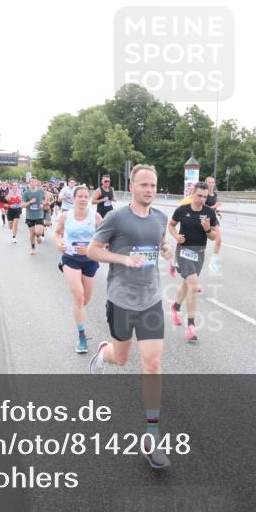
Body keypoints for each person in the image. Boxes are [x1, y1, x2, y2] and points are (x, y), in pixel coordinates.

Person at [87, 164, 175, 469]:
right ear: (132, 186)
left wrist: (167, 252)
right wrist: (124, 258)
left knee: (152, 364)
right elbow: (92, 250)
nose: (149, 190)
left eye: (153, 185)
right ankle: (103, 351)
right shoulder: (116, 218)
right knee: (121, 359)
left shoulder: (160, 218)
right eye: (143, 185)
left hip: (150, 300)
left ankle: (152, 437)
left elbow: (161, 242)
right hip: (122, 300)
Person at [54, 185, 103, 354]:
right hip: (70, 258)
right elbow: (57, 233)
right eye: (79, 196)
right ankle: (82, 337)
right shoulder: (65, 216)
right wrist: (58, 243)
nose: (83, 199)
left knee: (85, 300)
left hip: (90, 260)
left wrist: (92, 247)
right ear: (73, 199)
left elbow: (104, 239)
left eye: (85, 196)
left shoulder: (95, 216)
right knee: (78, 295)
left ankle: (78, 312)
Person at [168, 182, 219, 342]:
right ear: (192, 193)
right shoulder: (183, 210)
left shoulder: (209, 212)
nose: (202, 199)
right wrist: (176, 236)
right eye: (199, 196)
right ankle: (191, 327)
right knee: (193, 285)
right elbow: (171, 224)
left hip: (199, 253)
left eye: (205, 196)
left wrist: (207, 229)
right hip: (183, 251)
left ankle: (175, 307)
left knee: (187, 283)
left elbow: (214, 237)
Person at [204, 175, 224, 272]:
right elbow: (203, 208)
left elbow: (212, 208)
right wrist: (214, 206)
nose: (211, 184)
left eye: (212, 182)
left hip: (213, 220)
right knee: (199, 243)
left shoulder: (214, 195)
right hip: (204, 220)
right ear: (206, 183)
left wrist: (217, 211)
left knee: (219, 240)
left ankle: (213, 262)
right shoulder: (204, 194)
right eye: (209, 182)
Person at [22, 177, 46, 254]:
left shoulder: (41, 192)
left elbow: (46, 200)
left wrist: (42, 204)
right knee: (32, 233)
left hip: (39, 215)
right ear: (29, 183)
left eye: (34, 182)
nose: (33, 183)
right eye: (31, 182)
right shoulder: (26, 193)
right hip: (30, 216)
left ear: (37, 183)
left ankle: (38, 236)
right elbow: (22, 205)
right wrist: (29, 202)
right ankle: (33, 248)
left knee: (38, 231)